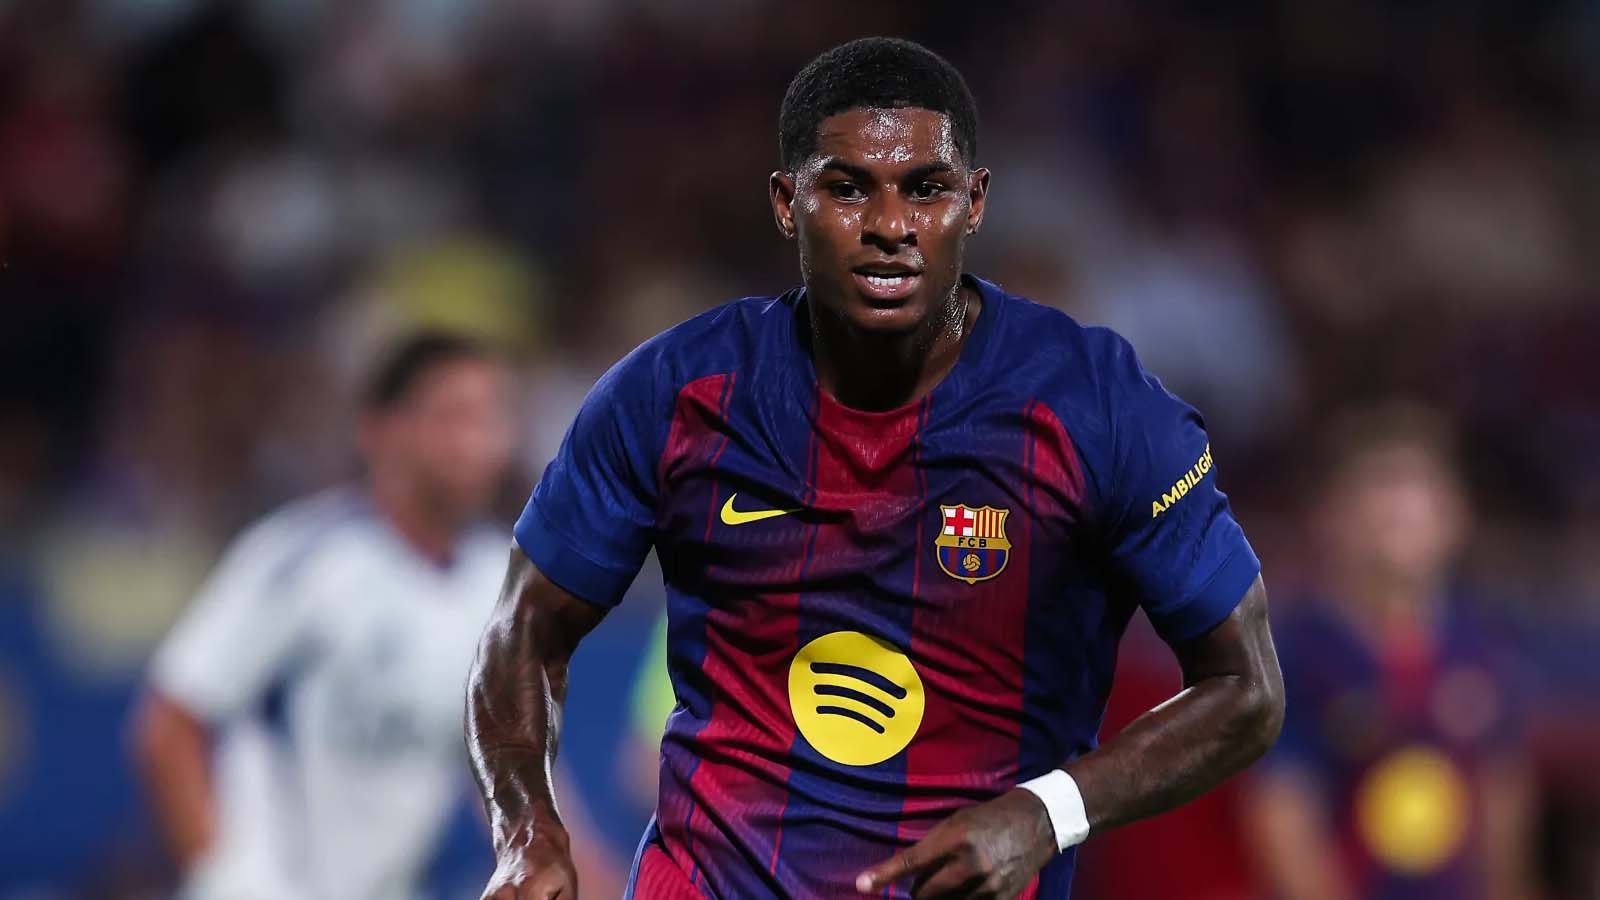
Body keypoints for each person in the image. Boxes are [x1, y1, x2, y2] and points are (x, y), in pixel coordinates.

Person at [468, 38, 1284, 900]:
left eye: (926, 189)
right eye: (848, 188)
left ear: (975, 203)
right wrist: (526, 831)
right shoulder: (674, 395)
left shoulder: (1099, 410)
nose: (891, 225)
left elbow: (1246, 687)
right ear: (787, 204)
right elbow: (523, 630)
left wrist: (1044, 814)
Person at [132, 333, 518, 900]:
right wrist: (222, 876)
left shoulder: (501, 583)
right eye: (453, 417)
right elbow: (169, 725)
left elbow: (510, 768)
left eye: (491, 419)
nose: (475, 442)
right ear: (381, 431)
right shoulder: (303, 559)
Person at [1243, 407, 1538, 900]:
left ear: (1455, 515)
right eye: (1379, 489)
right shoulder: (1294, 656)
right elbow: (1283, 818)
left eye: (1417, 489)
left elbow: (1503, 800)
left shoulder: (1483, 648)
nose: (1399, 511)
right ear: (1331, 517)